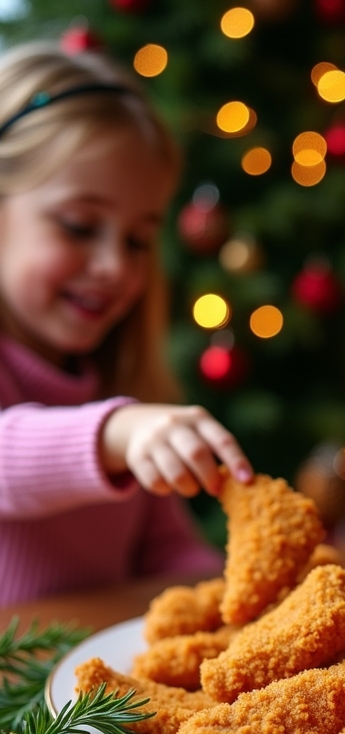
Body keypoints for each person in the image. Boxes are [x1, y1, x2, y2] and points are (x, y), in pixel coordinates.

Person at [0, 41, 254, 605]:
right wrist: (117, 432)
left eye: (138, 239)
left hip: (92, 687)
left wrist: (227, 594)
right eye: (78, 226)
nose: (114, 266)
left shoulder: (121, 382)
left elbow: (165, 550)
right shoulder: (124, 424)